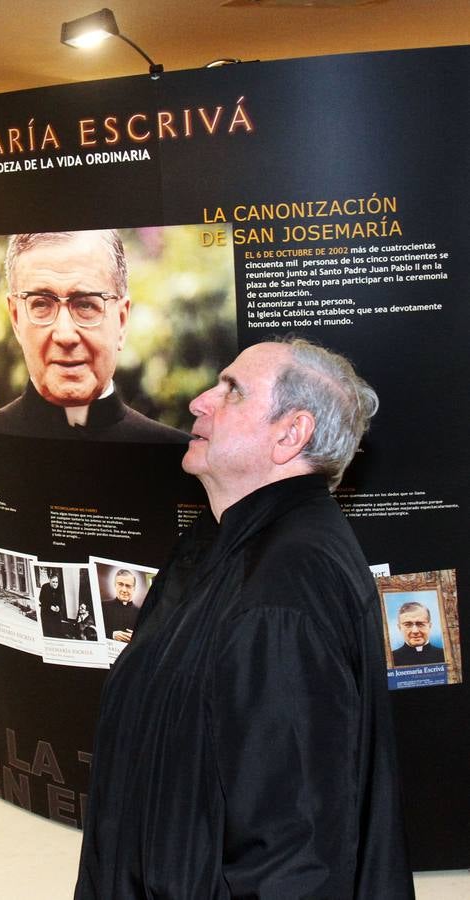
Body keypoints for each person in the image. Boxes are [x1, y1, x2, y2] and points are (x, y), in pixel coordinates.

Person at [76, 337, 414, 899]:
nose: (199, 402)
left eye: (231, 392)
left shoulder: (285, 590)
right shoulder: (229, 542)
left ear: (291, 434)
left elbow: (293, 852)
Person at [0, 230, 188, 443]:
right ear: (16, 319)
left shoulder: (179, 459)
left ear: (121, 320)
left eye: (85, 304)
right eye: (41, 304)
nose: (65, 335)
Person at [392, 601, 445, 665]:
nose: (415, 631)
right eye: (408, 625)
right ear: (399, 628)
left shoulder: (446, 655)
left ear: (430, 626)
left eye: (420, 624)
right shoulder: (391, 659)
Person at [101, 569, 139, 642]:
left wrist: (137, 637)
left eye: (128, 586)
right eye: (120, 584)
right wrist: (111, 634)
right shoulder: (102, 606)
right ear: (115, 585)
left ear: (134, 588)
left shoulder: (141, 613)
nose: (124, 590)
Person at [39, 573, 66, 638]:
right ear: (49, 581)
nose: (55, 584)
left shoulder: (59, 588)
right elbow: (41, 599)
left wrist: (58, 606)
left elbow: (60, 600)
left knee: (58, 630)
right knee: (49, 631)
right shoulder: (45, 587)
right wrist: (50, 607)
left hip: (55, 612)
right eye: (53, 582)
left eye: (56, 582)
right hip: (46, 612)